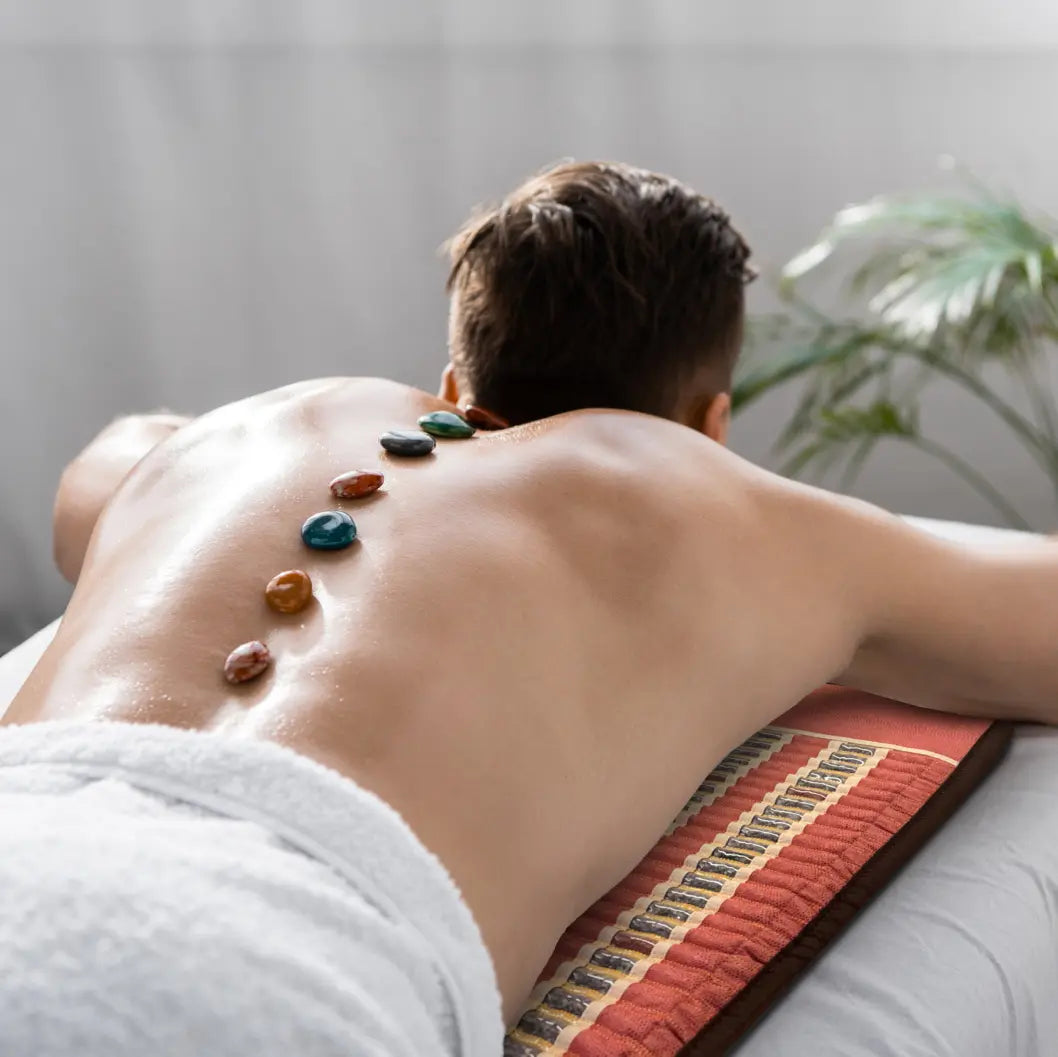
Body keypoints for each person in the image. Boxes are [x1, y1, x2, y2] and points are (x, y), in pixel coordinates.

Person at [3, 161, 1056, 1057]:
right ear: (712, 419)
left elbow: (86, 491)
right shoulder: (712, 501)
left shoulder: (246, 435)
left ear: (456, 381)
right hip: (262, 966)